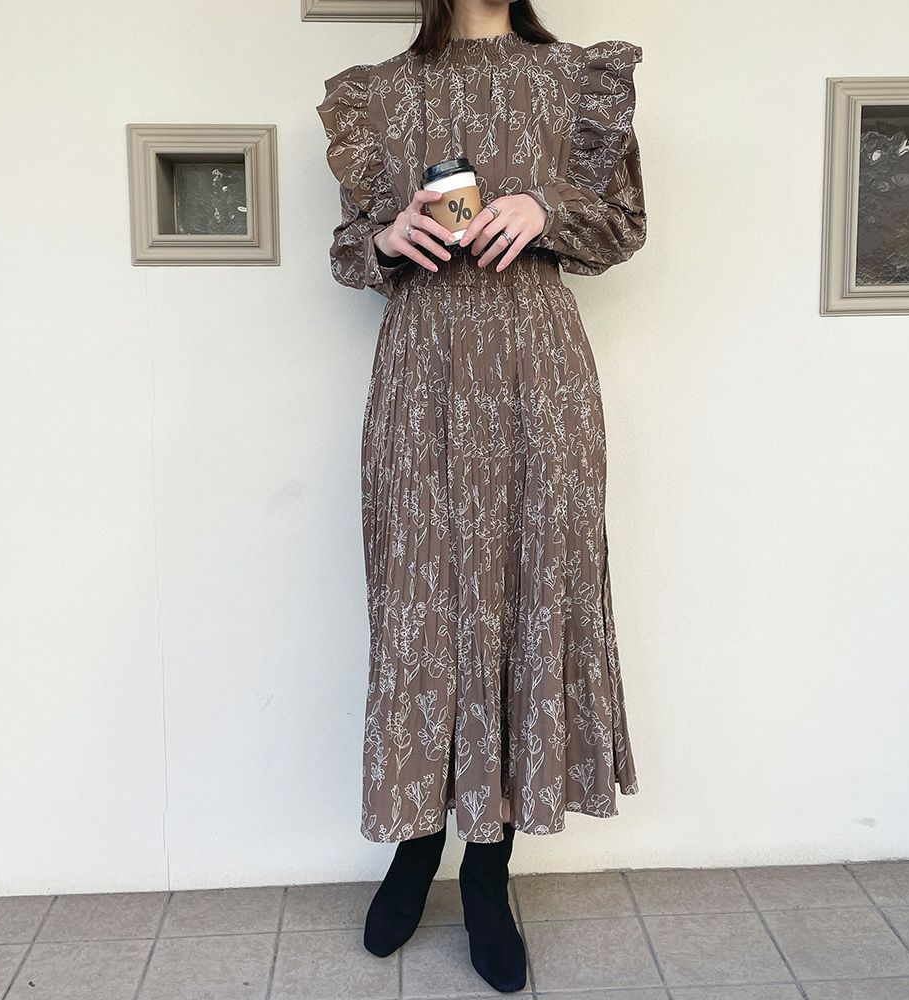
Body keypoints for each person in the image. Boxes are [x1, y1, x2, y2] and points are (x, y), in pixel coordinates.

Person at [316, 0, 646, 991]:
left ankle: (489, 870)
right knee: (421, 611)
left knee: (524, 601)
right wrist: (386, 239)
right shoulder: (379, 93)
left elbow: (624, 225)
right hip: (420, 375)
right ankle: (417, 843)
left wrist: (546, 208)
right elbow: (346, 252)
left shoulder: (578, 79)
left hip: (539, 378)